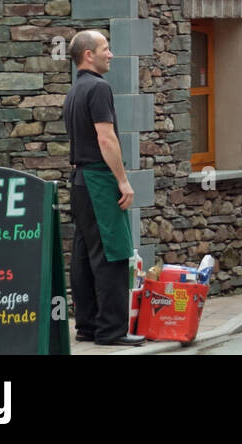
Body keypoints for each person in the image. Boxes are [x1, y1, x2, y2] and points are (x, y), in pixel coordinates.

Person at [63, 30, 145, 346]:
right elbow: (105, 138)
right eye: (105, 49)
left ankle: (87, 326)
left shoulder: (74, 91)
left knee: (84, 255)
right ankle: (111, 330)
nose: (110, 54)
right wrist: (123, 180)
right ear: (88, 55)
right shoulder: (99, 88)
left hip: (79, 183)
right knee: (112, 254)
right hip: (98, 180)